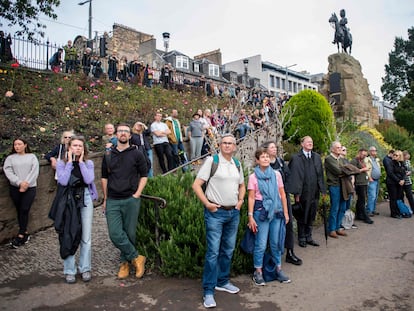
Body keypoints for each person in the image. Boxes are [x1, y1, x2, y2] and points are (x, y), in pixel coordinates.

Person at [192, 134, 245, 309]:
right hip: (216, 213)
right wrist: (207, 204)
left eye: (231, 143)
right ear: (220, 145)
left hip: (233, 213)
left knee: (228, 250)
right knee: (213, 252)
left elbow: (242, 185)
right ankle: (208, 290)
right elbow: (196, 185)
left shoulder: (236, 163)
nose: (228, 146)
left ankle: (222, 281)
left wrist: (240, 201)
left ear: (235, 146)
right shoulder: (212, 161)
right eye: (224, 143)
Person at [101, 123, 148, 279]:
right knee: (115, 233)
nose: (122, 133)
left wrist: (137, 194)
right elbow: (104, 178)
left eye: (125, 132)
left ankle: (124, 263)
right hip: (113, 199)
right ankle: (137, 257)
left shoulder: (137, 154)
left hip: (131, 198)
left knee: (130, 233)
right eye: (120, 131)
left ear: (130, 135)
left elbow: (144, 175)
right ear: (115, 135)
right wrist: (106, 198)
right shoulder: (108, 155)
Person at [54, 136, 98, 283]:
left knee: (86, 237)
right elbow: (63, 181)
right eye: (75, 145)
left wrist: (80, 163)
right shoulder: (62, 163)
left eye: (80, 146)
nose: (77, 148)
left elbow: (88, 180)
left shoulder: (88, 163)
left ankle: (85, 268)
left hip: (85, 198)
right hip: (69, 200)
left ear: (83, 148)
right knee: (68, 234)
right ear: (69, 148)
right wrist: (70, 164)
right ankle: (69, 270)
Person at [247, 147, 290, 286]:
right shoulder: (253, 177)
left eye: (267, 156)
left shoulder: (276, 175)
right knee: (260, 243)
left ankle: (278, 269)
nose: (265, 159)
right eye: (262, 157)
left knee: (275, 242)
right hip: (261, 213)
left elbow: (282, 194)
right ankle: (258, 271)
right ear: (257, 160)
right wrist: (250, 216)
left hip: (276, 212)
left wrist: (286, 212)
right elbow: (251, 198)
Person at [262, 141, 302, 265]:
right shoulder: (264, 163)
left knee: (288, 223)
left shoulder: (280, 162)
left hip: (282, 198)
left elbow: (288, 176)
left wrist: (288, 192)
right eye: (272, 147)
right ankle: (270, 256)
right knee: (271, 227)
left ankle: (290, 252)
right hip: (269, 200)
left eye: (275, 147)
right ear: (266, 150)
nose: (274, 149)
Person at [286, 136, 326, 247]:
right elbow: (294, 176)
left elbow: (320, 174)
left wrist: (323, 190)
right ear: (302, 144)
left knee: (311, 214)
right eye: (308, 142)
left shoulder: (316, 157)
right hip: (303, 193)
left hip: (314, 192)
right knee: (302, 215)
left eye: (311, 142)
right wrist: (296, 194)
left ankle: (309, 236)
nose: (310, 143)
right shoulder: (296, 158)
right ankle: (302, 237)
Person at [3, 138, 39, 248]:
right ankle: (25, 232)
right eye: (15, 144)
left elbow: (34, 171)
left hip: (30, 188)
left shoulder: (32, 157)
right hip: (15, 188)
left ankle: (21, 234)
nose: (17, 146)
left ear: (25, 145)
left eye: (19, 144)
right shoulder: (10, 158)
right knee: (19, 210)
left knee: (24, 209)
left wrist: (26, 183)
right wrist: (19, 183)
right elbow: (8, 171)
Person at [325, 141, 348, 238]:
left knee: (342, 207)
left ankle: (338, 227)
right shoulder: (329, 159)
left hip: (343, 185)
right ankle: (332, 229)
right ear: (332, 149)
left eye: (340, 147)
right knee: (335, 207)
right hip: (334, 185)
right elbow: (339, 171)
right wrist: (346, 171)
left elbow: (347, 169)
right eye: (338, 147)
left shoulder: (341, 159)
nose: (340, 149)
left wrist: (346, 170)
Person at [350, 148, 374, 224]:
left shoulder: (362, 161)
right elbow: (352, 171)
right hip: (359, 183)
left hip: (364, 182)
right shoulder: (354, 161)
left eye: (365, 155)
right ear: (359, 153)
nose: (364, 156)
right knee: (362, 200)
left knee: (361, 199)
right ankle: (365, 216)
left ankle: (359, 214)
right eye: (363, 155)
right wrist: (363, 169)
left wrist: (369, 177)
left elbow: (365, 170)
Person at [385, 150, 406, 218]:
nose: (394, 156)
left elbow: (404, 172)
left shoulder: (401, 163)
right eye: (394, 155)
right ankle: (394, 213)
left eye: (396, 155)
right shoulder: (390, 163)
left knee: (399, 197)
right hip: (392, 183)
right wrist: (399, 180)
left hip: (400, 183)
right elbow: (390, 173)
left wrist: (403, 179)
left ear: (400, 156)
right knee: (393, 198)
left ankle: (399, 211)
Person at [364, 146, 382, 216]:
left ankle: (373, 209)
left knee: (376, 196)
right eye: (373, 150)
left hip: (377, 179)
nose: (375, 152)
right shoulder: (367, 159)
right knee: (372, 196)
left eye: (375, 150)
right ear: (370, 152)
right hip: (372, 179)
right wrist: (369, 177)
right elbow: (366, 169)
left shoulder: (376, 160)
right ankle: (369, 210)